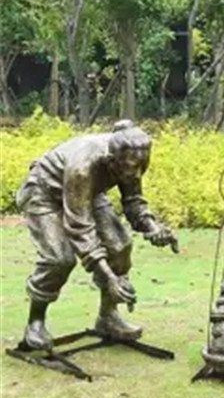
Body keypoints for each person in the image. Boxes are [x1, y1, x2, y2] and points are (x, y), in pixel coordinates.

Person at [16, 120, 178, 350]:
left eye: (141, 166)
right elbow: (80, 228)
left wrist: (153, 228)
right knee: (59, 259)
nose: (136, 174)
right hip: (45, 193)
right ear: (111, 162)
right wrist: (111, 278)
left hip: (88, 193)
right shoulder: (83, 167)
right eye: (130, 169)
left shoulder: (132, 157)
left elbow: (133, 201)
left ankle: (108, 317)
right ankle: (35, 322)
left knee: (120, 245)